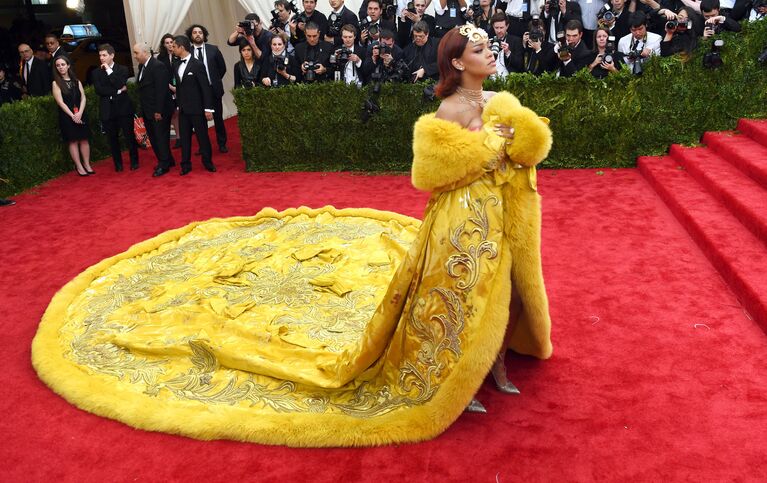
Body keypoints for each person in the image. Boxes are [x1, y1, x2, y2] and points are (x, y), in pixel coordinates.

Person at [32, 23, 554, 447]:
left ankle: (498, 365)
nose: (490, 53)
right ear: (458, 62)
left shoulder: (500, 103)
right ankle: (462, 377)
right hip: (459, 221)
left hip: (501, 214)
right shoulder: (448, 111)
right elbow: (432, 174)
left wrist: (514, 145)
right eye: (479, 48)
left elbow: (530, 149)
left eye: (490, 46)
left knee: (504, 288)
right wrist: (492, 150)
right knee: (459, 297)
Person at [171, 35, 216, 175]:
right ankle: (185, 164)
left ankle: (208, 162)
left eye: (174, 47)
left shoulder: (197, 65)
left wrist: (208, 109)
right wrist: (178, 105)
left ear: (181, 47)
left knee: (202, 137)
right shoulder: (176, 64)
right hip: (183, 110)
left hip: (197, 109)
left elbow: (205, 88)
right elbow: (178, 87)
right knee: (184, 138)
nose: (171, 49)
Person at [92, 43, 139, 172]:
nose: (101, 58)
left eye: (104, 55)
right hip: (107, 110)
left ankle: (134, 161)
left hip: (124, 108)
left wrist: (108, 70)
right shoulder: (96, 73)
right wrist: (118, 91)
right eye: (100, 55)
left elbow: (119, 83)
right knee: (112, 140)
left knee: (129, 137)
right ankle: (118, 164)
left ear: (112, 55)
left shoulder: (122, 69)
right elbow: (99, 90)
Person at [133, 42, 176, 178]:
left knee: (160, 138)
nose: (135, 56)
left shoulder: (158, 66)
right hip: (148, 109)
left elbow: (161, 90)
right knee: (154, 137)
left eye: (136, 53)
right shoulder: (142, 66)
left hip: (159, 110)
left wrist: (158, 111)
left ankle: (164, 165)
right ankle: (168, 160)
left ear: (145, 52)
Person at [187, 24, 228, 153]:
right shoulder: (188, 52)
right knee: (200, 122)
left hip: (213, 90)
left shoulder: (213, 49)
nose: (198, 34)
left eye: (200, 32)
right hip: (197, 93)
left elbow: (222, 68)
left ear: (204, 35)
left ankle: (222, 143)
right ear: (191, 35)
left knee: (218, 119)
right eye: (195, 32)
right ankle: (203, 146)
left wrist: (213, 81)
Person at [51, 55, 92, 177]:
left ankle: (87, 164)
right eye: (58, 65)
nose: (61, 67)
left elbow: (83, 97)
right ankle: (79, 166)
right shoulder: (56, 83)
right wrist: (73, 115)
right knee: (73, 141)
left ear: (68, 65)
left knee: (84, 139)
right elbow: (60, 102)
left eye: (63, 64)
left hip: (81, 114)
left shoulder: (77, 81)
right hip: (67, 117)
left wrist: (79, 113)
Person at [157, 33, 181, 150]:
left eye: (171, 42)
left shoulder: (179, 55)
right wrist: (170, 87)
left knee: (182, 112)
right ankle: (178, 137)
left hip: (181, 87)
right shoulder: (160, 58)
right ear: (163, 44)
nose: (170, 45)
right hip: (168, 89)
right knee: (174, 114)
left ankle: (185, 134)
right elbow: (160, 75)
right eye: (167, 43)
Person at [490, 11, 525, 78]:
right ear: (493, 27)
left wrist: (508, 52)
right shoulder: (489, 41)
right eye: (496, 28)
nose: (499, 31)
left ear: (507, 26)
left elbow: (520, 65)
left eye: (501, 27)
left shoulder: (516, 41)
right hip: (491, 79)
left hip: (510, 79)